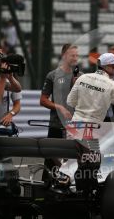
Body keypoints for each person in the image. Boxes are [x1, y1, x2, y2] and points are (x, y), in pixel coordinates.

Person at [40, 43, 79, 180]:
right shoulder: (53, 75)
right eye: (72, 55)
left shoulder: (82, 76)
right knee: (51, 163)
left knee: (75, 162)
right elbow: (43, 100)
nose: (75, 58)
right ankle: (45, 192)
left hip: (75, 127)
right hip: (56, 126)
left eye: (76, 55)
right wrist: (60, 107)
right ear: (64, 56)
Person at [67, 52, 114, 124]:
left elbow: (70, 102)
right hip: (95, 127)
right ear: (108, 66)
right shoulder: (113, 85)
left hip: (75, 125)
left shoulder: (82, 78)